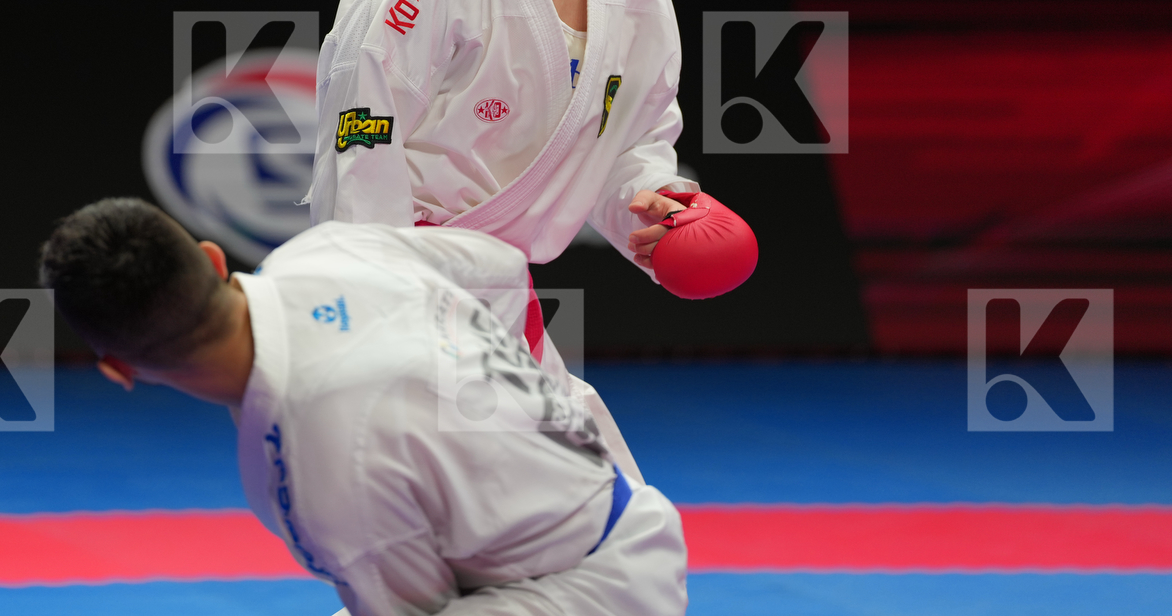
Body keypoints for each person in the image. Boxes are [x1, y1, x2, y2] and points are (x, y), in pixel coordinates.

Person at [311, 0, 756, 477]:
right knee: (557, 535)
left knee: (596, 531)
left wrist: (658, 208)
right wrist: (380, 319)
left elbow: (631, 147)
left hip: (496, 299)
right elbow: (361, 143)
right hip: (398, 293)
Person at [39, 197, 688, 616]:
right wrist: (519, 405)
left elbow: (415, 607)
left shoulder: (321, 468)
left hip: (591, 594)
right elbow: (497, 264)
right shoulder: (327, 249)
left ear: (119, 370)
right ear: (212, 261)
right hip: (612, 512)